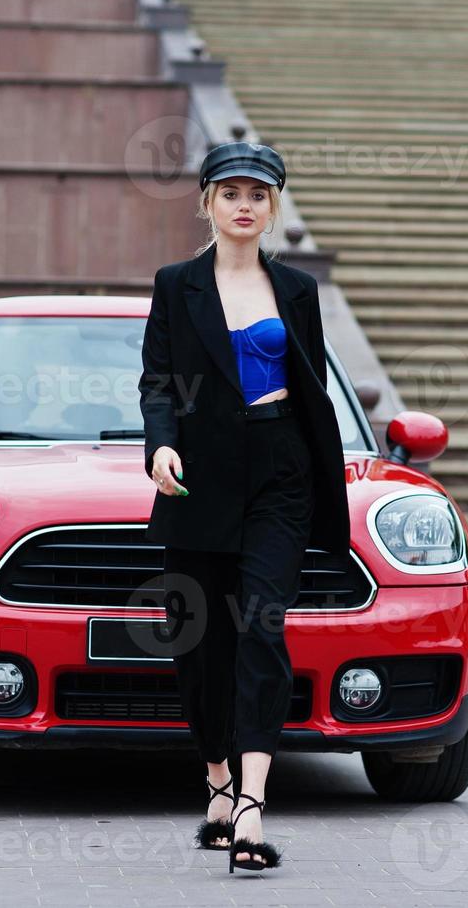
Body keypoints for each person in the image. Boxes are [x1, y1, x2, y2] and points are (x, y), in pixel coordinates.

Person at [138, 140, 351, 873]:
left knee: (261, 628)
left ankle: (254, 807)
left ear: (272, 208)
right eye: (230, 192)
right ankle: (218, 781)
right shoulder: (176, 285)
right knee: (199, 648)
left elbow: (311, 384)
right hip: (199, 479)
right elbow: (158, 384)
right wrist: (160, 448)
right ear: (205, 202)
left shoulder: (294, 289)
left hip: (279, 475)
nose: (243, 205)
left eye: (257, 195)